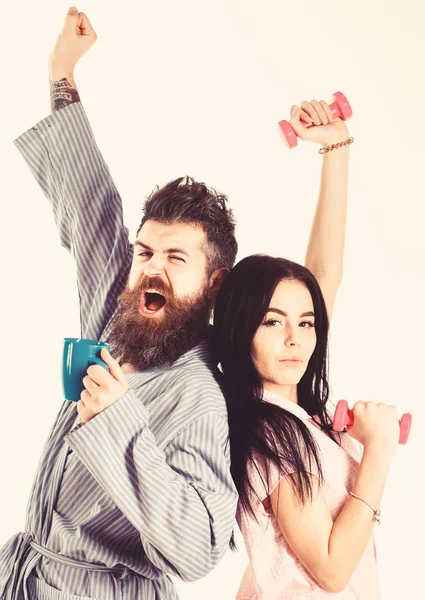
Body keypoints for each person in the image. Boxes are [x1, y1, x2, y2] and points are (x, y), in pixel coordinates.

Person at [0, 6, 353, 600]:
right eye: (145, 252)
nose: (150, 269)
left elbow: (197, 548)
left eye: (176, 259)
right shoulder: (120, 315)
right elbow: (91, 204)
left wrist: (337, 149)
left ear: (214, 283)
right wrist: (62, 70)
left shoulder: (205, 397)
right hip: (22, 576)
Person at [212, 254, 401, 599]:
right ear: (240, 329)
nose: (294, 339)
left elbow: (326, 272)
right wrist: (379, 450)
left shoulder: (301, 419)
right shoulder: (274, 433)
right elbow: (331, 570)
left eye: (306, 323)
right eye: (272, 322)